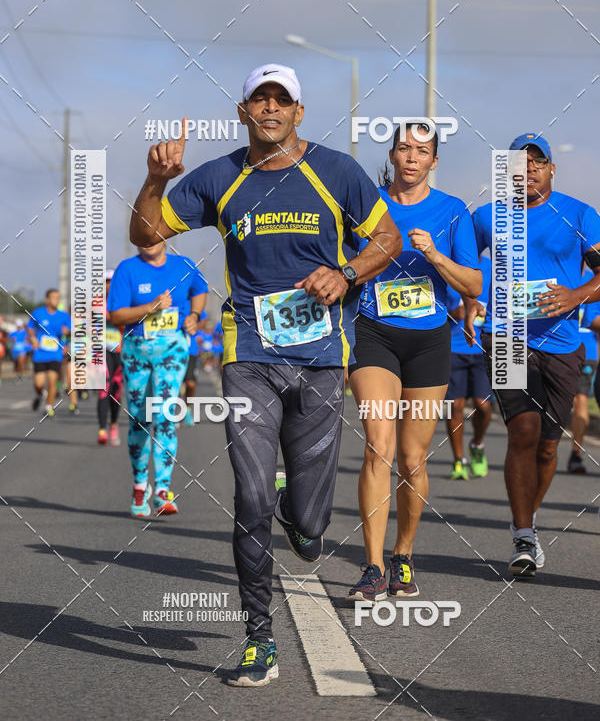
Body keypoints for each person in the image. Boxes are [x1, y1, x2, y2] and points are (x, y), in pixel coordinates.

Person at [130, 63, 402, 687]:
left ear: (299, 113)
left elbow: (386, 239)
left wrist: (348, 274)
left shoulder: (337, 172)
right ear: (244, 110)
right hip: (246, 355)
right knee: (249, 498)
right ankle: (259, 639)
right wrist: (152, 181)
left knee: (309, 526)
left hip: (321, 359)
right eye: (261, 99)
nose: (272, 109)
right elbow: (145, 231)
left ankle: (297, 513)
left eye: (284, 100)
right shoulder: (219, 177)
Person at [346, 122, 481, 604]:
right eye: (403, 148)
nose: (411, 157)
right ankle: (374, 566)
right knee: (377, 447)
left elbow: (473, 285)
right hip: (373, 332)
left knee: (411, 458)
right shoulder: (367, 206)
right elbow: (346, 265)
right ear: (393, 153)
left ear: (433, 161)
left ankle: (403, 553)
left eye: (421, 151)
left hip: (428, 341)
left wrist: (434, 255)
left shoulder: (452, 212)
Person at [468, 134, 600, 577]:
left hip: (562, 344)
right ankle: (523, 535)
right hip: (506, 337)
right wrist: (470, 302)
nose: (527, 171)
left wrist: (576, 296)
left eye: (537, 162)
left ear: (550, 169)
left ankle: (528, 518)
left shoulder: (579, 214)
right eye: (518, 165)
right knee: (523, 431)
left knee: (547, 446)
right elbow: (466, 269)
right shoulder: (486, 217)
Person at [108, 243, 208, 517]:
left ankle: (163, 489)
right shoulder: (127, 269)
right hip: (137, 348)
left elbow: (200, 290)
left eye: (153, 234)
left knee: (164, 413)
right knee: (140, 418)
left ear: (164, 237)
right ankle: (140, 486)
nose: (148, 241)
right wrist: (151, 307)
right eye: (142, 235)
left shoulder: (184, 264)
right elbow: (116, 314)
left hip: (172, 347)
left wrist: (194, 316)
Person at [445, 255, 493, 480]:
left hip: (484, 348)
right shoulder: (447, 264)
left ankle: (478, 444)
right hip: (453, 347)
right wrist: (453, 314)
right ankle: (458, 459)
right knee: (454, 406)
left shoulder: (493, 266)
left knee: (483, 406)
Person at [569, 268, 600, 473]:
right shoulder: (554, 274)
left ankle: (576, 453)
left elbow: (591, 319)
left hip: (586, 352)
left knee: (581, 399)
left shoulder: (593, 278)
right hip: (554, 349)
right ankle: (541, 447)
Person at [27, 289, 71, 416]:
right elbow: (30, 328)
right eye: (53, 297)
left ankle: (48, 406)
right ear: (47, 299)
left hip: (55, 353)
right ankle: (40, 394)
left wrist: (67, 334)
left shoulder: (63, 316)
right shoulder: (38, 313)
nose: (56, 300)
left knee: (52, 379)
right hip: (40, 353)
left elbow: (70, 330)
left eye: (58, 297)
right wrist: (33, 338)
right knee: (39, 384)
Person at [97, 270, 124, 446]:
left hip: (121, 352)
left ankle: (114, 424)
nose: (108, 285)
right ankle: (102, 430)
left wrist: (114, 318)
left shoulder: (123, 301)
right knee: (103, 389)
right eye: (105, 282)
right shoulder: (95, 304)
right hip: (101, 351)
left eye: (110, 282)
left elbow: (128, 322)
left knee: (116, 391)